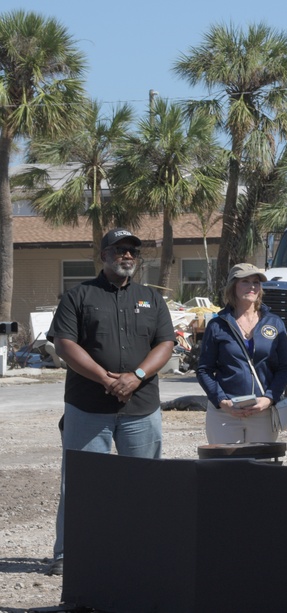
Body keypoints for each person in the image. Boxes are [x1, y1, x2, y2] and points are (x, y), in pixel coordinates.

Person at [47, 228, 176, 576]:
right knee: (81, 484)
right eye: (120, 250)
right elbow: (65, 344)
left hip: (142, 408)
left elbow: (165, 344)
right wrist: (105, 379)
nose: (128, 256)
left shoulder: (151, 298)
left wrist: (135, 375)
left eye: (133, 250)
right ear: (103, 255)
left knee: (145, 483)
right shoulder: (78, 296)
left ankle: (143, 550)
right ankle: (69, 553)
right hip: (88, 408)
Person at [196, 263, 287, 444]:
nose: (252, 287)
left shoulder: (274, 322)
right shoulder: (217, 325)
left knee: (260, 467)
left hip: (262, 412)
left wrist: (269, 398)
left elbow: (284, 368)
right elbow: (204, 370)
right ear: (233, 286)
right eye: (245, 282)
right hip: (225, 413)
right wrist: (223, 401)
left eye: (256, 282)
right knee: (225, 468)